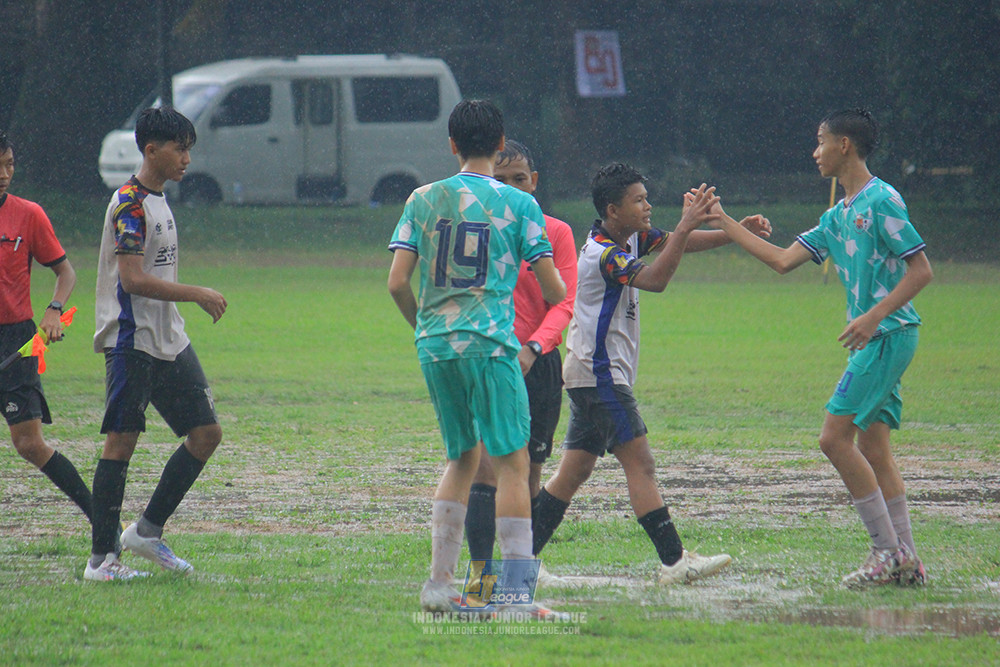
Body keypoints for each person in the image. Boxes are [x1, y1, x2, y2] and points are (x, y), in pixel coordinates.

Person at [714, 109, 932, 587]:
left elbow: (922, 271)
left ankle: (886, 551)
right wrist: (723, 221)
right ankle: (909, 561)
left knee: (833, 439)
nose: (815, 152)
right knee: (873, 448)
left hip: (888, 335)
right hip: (874, 339)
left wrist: (872, 316)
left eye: (820, 141)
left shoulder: (882, 200)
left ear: (844, 145)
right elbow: (781, 260)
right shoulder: (837, 215)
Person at [530, 162, 769, 584]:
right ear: (612, 210)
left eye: (646, 198)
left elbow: (679, 242)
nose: (647, 206)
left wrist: (735, 232)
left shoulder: (630, 238)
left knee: (573, 473)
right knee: (641, 464)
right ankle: (675, 562)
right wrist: (687, 224)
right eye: (638, 201)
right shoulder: (604, 254)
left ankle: (519, 560)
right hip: (601, 376)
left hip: (590, 375)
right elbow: (656, 279)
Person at [388, 100, 567, 617]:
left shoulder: (422, 198)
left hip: (435, 346)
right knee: (513, 463)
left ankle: (439, 585)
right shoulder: (519, 203)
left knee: (462, 457)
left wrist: (425, 326)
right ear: (500, 143)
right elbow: (555, 290)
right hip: (490, 344)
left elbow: (397, 282)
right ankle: (514, 596)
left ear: (452, 144)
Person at [85, 106, 228, 581]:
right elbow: (132, 280)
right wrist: (196, 292)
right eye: (179, 149)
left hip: (168, 337)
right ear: (151, 150)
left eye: (189, 149)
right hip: (132, 340)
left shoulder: (159, 199)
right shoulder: (130, 204)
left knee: (206, 433)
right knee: (121, 442)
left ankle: (146, 532)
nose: (187, 159)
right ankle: (102, 560)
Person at [463, 140, 577, 579]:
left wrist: (534, 348)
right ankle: (482, 576)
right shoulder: (476, 230)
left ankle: (517, 568)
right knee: (485, 470)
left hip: (540, 364)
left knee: (529, 471)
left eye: (519, 179)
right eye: (500, 180)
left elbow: (563, 303)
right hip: (490, 358)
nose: (510, 187)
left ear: (534, 182)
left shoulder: (556, 232)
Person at [0, 130, 92, 524]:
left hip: (16, 343)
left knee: (29, 444)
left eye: (9, 165)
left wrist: (54, 309)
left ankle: (101, 520)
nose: (4, 174)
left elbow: (65, 272)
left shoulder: (28, 215)